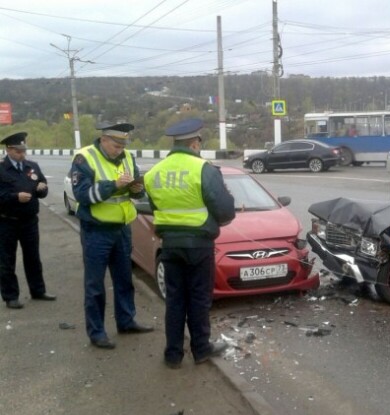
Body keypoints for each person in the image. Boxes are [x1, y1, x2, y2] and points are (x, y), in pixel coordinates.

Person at [144, 118, 235, 369]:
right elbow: (226, 211)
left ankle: (173, 355)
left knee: (174, 300)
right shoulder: (203, 169)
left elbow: (155, 208)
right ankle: (201, 350)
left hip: (169, 245)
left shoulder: (154, 173)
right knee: (198, 299)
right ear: (195, 143)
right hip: (199, 246)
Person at [70, 122, 153, 349]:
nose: (120, 150)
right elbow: (82, 194)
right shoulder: (84, 158)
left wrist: (137, 189)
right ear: (104, 140)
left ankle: (126, 321)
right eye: (116, 145)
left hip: (122, 228)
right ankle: (97, 332)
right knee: (95, 284)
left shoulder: (127, 157)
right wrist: (113, 185)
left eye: (122, 145)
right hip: (97, 230)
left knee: (125, 280)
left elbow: (135, 189)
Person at [0, 132, 55, 309]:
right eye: (18, 151)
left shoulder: (32, 166)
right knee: (7, 260)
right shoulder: (1, 168)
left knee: (33, 257)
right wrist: (15, 197)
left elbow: (42, 187)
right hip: (7, 221)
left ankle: (38, 291)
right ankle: (11, 296)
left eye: (24, 151)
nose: (22, 155)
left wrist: (41, 189)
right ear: (8, 150)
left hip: (29, 220)